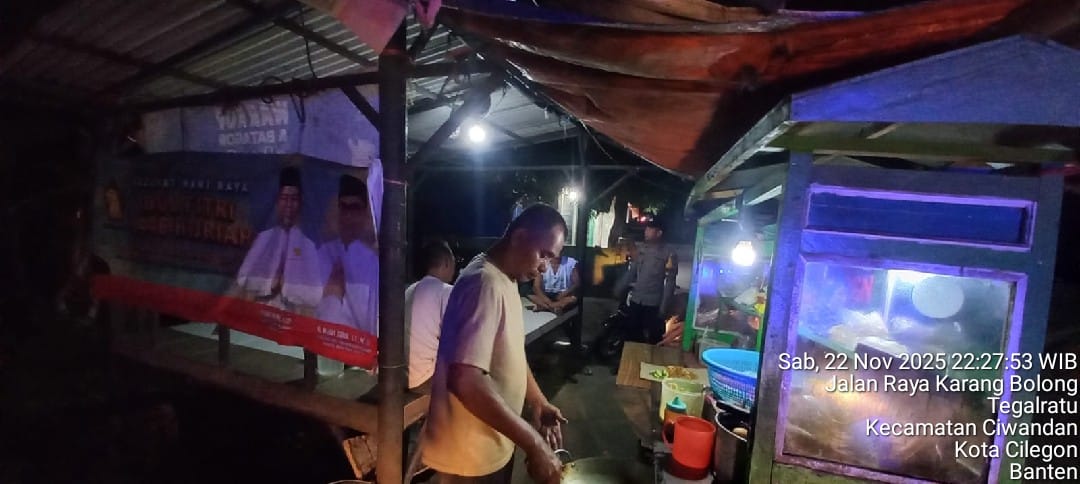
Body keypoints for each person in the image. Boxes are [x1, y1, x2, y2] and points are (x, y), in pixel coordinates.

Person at [421, 204, 568, 484]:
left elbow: (510, 351)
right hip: (469, 456)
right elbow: (466, 379)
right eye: (543, 254)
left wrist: (537, 400)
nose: (543, 267)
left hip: (492, 441)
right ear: (519, 237)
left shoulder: (506, 278)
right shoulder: (483, 283)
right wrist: (535, 444)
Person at [235, 166, 322, 314]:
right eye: (284, 198)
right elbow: (243, 278)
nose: (288, 205)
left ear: (300, 203)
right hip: (262, 308)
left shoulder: (308, 244)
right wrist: (269, 283)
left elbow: (316, 295)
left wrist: (288, 287)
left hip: (292, 314)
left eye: (293, 199)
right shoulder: (265, 237)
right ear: (277, 201)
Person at [315, 174, 379, 334]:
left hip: (358, 345)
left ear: (364, 213)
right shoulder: (323, 253)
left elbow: (373, 323)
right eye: (343, 207)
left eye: (354, 208)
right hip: (321, 342)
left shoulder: (373, 261)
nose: (348, 216)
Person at [615, 219, 678, 344]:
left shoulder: (669, 253)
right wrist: (619, 287)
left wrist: (664, 307)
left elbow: (670, 282)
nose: (646, 231)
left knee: (653, 341)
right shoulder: (641, 249)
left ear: (659, 233)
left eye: (650, 229)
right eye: (646, 228)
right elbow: (632, 271)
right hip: (636, 300)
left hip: (653, 305)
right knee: (631, 337)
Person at [405, 240, 456, 393]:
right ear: (446, 262)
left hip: (402, 375)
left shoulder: (409, 290)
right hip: (425, 378)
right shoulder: (446, 291)